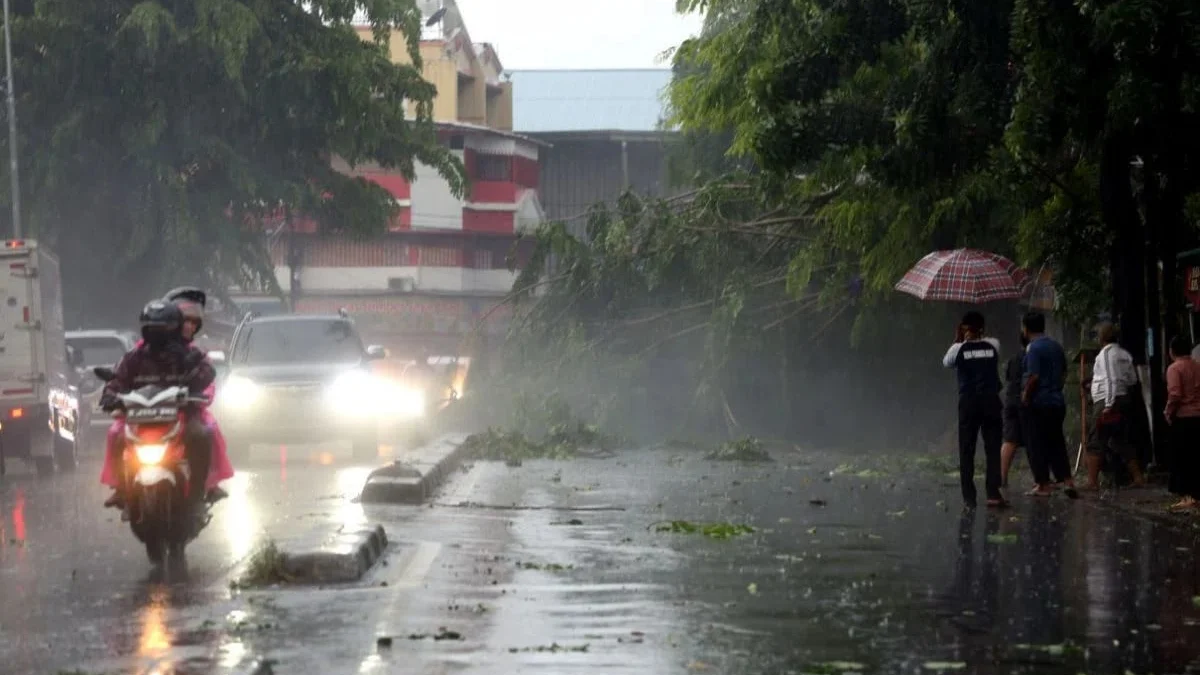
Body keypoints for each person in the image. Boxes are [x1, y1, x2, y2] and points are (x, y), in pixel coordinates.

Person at [100, 288, 234, 502]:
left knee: (202, 434)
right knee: (116, 434)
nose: (157, 334)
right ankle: (122, 489)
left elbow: (207, 372)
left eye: (163, 328)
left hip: (180, 414)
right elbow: (118, 378)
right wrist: (109, 395)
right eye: (152, 329)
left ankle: (201, 488)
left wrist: (194, 383)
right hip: (140, 417)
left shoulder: (188, 353)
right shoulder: (135, 356)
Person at [942, 311, 1006, 508]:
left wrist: (957, 340)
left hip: (969, 403)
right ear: (982, 329)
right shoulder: (993, 344)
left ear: (964, 329)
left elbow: (946, 363)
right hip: (991, 402)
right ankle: (993, 493)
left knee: (967, 449)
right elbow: (994, 354)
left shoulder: (956, 349)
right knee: (993, 448)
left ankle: (969, 498)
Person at [1021, 312, 1079, 498]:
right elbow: (1063, 373)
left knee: (1037, 443)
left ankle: (1043, 484)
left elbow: (1033, 376)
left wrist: (1026, 396)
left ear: (1025, 328)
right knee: (1056, 442)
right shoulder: (1055, 346)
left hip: (1040, 402)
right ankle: (1068, 480)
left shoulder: (1033, 348)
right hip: (1057, 402)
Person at [1084, 322, 1145, 489]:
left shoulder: (1106, 354)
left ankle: (1092, 482)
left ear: (1102, 337)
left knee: (1096, 439)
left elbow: (1110, 379)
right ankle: (1138, 477)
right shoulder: (1124, 354)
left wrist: (1108, 405)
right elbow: (1132, 379)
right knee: (1120, 439)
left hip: (1107, 400)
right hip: (1123, 397)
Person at [1165, 336, 1200, 510]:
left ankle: (1188, 497)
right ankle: (1196, 495)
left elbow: (1175, 394)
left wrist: (1168, 412)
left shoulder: (1174, 368)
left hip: (1184, 418)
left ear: (1172, 351)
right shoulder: (1197, 365)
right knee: (1196, 457)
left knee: (1182, 458)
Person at [1000, 333, 1029, 488]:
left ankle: (1002, 478)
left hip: (1011, 400)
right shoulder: (1033, 357)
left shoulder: (1014, 358)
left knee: (1010, 440)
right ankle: (1042, 480)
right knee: (1034, 439)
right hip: (1026, 400)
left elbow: (1008, 379)